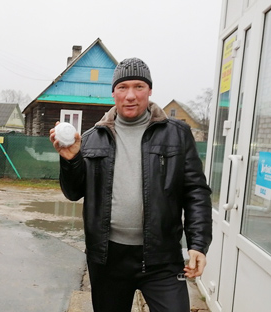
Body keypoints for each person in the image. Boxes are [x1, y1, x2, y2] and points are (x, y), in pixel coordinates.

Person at [50, 58, 212, 312]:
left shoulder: (177, 134)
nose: (130, 96)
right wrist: (71, 161)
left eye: (139, 86)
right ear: (113, 92)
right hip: (107, 259)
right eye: (123, 87)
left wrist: (198, 244)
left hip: (163, 258)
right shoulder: (93, 138)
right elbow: (73, 193)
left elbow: (195, 192)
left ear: (150, 90)